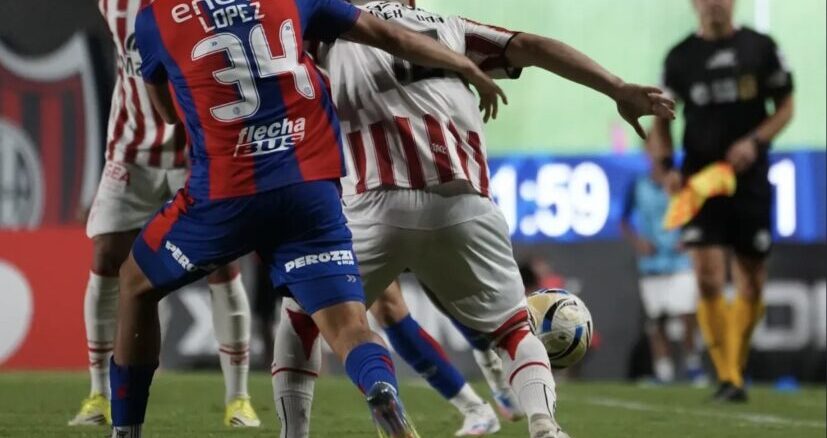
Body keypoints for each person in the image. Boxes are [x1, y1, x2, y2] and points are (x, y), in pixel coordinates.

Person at [274, 1, 674, 437]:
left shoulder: (331, 27)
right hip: (464, 202)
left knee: (301, 319)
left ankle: (301, 429)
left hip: (374, 203)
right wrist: (617, 87)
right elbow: (535, 46)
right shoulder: (452, 29)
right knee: (515, 329)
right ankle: (544, 424)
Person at [113, 0, 505, 436]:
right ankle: (380, 388)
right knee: (349, 326)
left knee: (135, 283)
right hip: (309, 192)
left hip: (226, 196)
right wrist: (462, 64)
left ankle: (125, 430)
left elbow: (169, 115)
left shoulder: (156, 17)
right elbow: (390, 35)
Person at [69, 0, 258, 427]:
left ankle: (239, 399)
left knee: (222, 266)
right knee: (106, 258)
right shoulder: (115, 5)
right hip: (131, 151)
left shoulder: (205, 7)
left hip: (196, 152)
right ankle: (98, 394)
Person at [648, 0, 794, 402]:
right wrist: (667, 166)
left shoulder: (761, 48)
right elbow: (660, 120)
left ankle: (734, 369)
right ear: (694, 4)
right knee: (708, 277)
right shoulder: (679, 58)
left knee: (752, 276)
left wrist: (756, 141)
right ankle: (729, 377)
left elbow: (785, 106)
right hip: (700, 181)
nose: (715, 4)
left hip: (750, 179)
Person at [621, 166, 707, 385]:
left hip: (681, 261)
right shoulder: (638, 183)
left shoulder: (683, 181)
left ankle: (693, 365)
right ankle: (664, 372)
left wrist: (689, 237)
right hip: (652, 263)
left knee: (688, 314)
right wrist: (638, 243)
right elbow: (624, 219)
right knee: (656, 322)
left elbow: (699, 211)